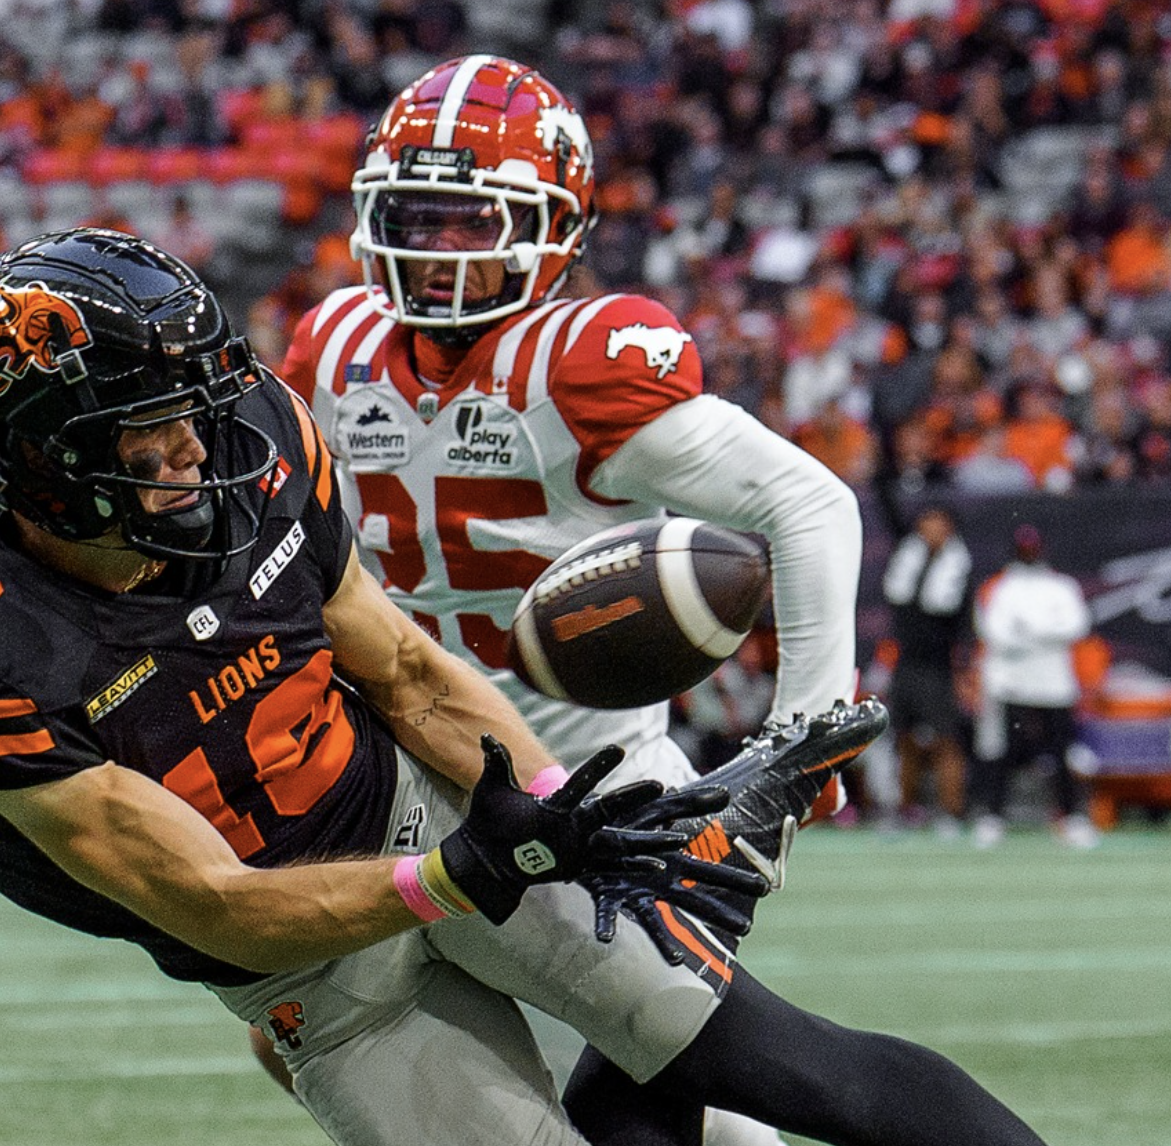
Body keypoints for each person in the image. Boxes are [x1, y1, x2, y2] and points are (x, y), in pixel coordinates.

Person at [0, 227, 1050, 1146]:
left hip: (420, 805)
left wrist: (543, 814)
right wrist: (453, 882)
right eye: (151, 440)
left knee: (769, 1059)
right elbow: (212, 900)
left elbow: (409, 671)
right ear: (44, 470)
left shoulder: (257, 439)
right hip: (305, 968)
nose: (199, 452)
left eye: (200, 410)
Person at [279, 56, 864, 1145]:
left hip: (595, 800)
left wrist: (803, 743)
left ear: (555, 223)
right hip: (398, 793)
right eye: (418, 215)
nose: (437, 249)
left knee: (707, 1106)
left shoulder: (582, 358)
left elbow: (807, 502)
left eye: (470, 221)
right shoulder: (333, 346)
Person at [971, 522, 1097, 849]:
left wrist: (1029, 630)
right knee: (1004, 751)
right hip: (1012, 684)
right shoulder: (1001, 588)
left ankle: (1072, 818)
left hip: (1055, 684)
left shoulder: (1062, 587)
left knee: (1061, 751)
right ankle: (993, 817)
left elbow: (1076, 625)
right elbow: (995, 632)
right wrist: (1046, 633)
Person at [880, 505, 974, 832]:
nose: (932, 529)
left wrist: (964, 671)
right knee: (903, 739)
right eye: (927, 522)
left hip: (938, 667)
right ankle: (905, 810)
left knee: (946, 740)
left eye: (939, 522)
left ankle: (951, 812)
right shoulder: (907, 557)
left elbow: (965, 625)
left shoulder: (960, 566)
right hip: (907, 663)